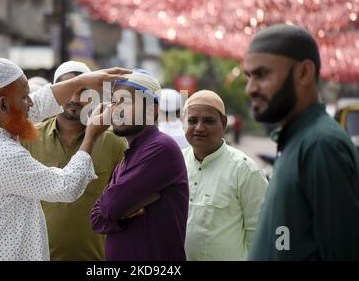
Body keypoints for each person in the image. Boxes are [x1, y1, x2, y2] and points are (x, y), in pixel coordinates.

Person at [0, 58, 130, 261]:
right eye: (25, 97)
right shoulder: (1, 154)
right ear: (3, 104)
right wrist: (91, 135)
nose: (30, 102)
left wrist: (81, 81)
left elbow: (38, 105)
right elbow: (67, 186)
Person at [243, 24, 359, 260]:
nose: (250, 88)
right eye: (249, 76)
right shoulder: (295, 140)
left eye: (262, 75)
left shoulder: (321, 145)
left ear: (304, 73)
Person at [22, 61, 127, 260]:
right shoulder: (29, 138)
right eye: (68, 89)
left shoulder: (115, 142)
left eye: (83, 92)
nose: (75, 99)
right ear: (55, 93)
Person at [90, 69, 189, 261]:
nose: (116, 109)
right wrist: (117, 211)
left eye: (125, 101)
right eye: (114, 101)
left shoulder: (161, 148)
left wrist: (115, 213)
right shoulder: (131, 152)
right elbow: (95, 219)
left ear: (151, 110)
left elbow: (110, 206)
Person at [182, 90, 267, 260]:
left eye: (208, 121)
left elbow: (261, 234)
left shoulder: (244, 170)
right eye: (192, 121)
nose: (199, 127)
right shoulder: (176, 163)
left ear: (224, 122)